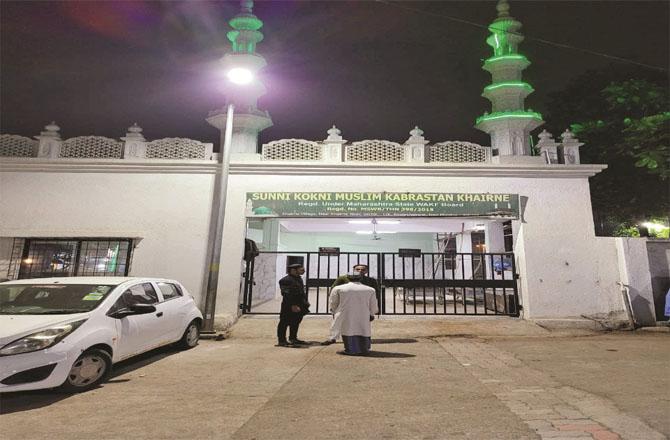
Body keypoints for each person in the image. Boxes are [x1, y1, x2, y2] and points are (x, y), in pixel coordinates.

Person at [322, 264, 379, 345]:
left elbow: (375, 295)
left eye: (363, 269)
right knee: (338, 322)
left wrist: (372, 311)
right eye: (357, 269)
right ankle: (332, 338)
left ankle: (361, 339)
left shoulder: (371, 281)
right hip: (345, 305)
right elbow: (333, 291)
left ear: (366, 271)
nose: (360, 271)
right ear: (353, 270)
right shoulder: (343, 278)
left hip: (362, 306)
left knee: (362, 324)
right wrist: (334, 307)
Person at [276, 263, 310, 347]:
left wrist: (305, 301)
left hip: (299, 304)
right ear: (293, 270)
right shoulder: (285, 280)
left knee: (295, 322)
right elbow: (286, 294)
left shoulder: (299, 279)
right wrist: (293, 305)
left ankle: (293, 338)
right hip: (289, 305)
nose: (304, 271)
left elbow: (301, 292)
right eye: (301, 270)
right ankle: (282, 341)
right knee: (284, 322)